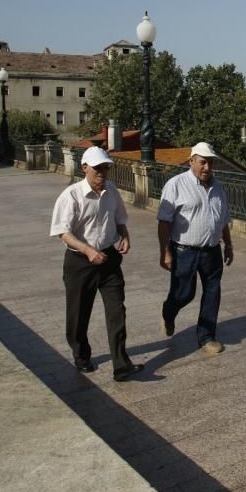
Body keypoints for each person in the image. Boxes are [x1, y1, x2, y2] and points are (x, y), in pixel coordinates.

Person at [49, 146, 143, 381]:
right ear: (85, 168)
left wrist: (125, 235)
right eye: (98, 168)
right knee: (79, 313)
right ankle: (81, 356)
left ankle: (121, 365)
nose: (102, 172)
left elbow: (120, 218)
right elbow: (63, 232)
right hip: (80, 262)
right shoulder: (71, 195)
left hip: (109, 259)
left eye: (106, 167)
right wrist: (87, 250)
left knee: (117, 311)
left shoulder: (111, 191)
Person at [157, 141, 234, 354]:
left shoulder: (218, 187)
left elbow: (223, 218)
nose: (207, 168)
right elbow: (164, 221)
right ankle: (168, 311)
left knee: (212, 291)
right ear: (191, 161)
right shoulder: (176, 184)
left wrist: (228, 244)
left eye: (210, 163)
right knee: (184, 294)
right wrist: (165, 251)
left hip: (211, 249)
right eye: (202, 163)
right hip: (184, 251)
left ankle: (207, 336)